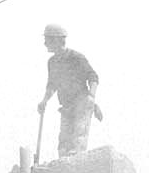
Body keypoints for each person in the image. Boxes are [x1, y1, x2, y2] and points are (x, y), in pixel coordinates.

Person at [37, 24, 102, 158]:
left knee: (78, 141)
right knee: (63, 146)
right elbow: (52, 85)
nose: (45, 43)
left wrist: (91, 97)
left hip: (81, 102)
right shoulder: (52, 62)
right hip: (66, 106)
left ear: (57, 40)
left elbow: (93, 77)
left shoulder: (76, 57)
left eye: (47, 39)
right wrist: (44, 101)